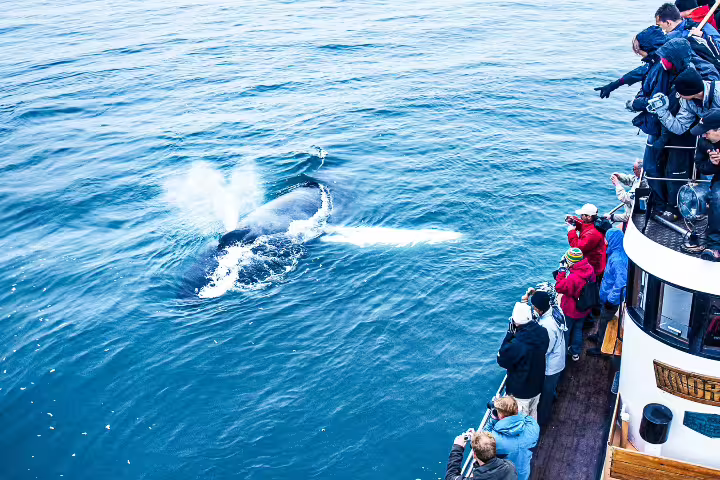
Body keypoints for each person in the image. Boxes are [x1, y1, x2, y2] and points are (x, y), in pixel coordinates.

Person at [496, 303, 549, 420]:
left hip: (521, 392)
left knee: (521, 421)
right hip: (537, 385)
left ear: (515, 322)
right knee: (533, 412)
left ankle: (528, 438)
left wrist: (508, 336)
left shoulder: (516, 345)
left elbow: (501, 359)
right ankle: (534, 434)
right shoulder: (543, 332)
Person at [525, 290, 565, 427]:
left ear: (540, 309)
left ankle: (541, 422)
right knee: (550, 388)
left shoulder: (546, 326)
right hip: (559, 357)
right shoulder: (555, 309)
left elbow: (545, 350)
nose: (533, 310)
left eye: (534, 307)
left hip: (551, 366)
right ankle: (552, 394)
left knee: (545, 396)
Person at [594, 26, 667, 99]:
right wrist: (615, 84)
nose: (638, 54)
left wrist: (634, 104)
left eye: (638, 50)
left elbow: (655, 99)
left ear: (648, 48)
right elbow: (642, 71)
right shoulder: (659, 59)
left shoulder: (661, 66)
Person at [587, 229, 628, 356]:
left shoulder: (617, 260)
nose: (605, 241)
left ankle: (601, 348)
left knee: (606, 320)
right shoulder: (618, 252)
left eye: (607, 238)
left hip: (611, 300)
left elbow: (621, 283)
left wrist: (611, 299)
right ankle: (599, 335)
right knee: (603, 318)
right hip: (607, 295)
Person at [554, 248, 596, 361]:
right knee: (578, 329)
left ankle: (563, 353)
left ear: (571, 262)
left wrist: (562, 271)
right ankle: (575, 352)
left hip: (571, 309)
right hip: (584, 307)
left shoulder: (573, 278)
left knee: (566, 331)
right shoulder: (590, 269)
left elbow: (559, 287)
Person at [689, 109, 720, 261]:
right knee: (717, 197)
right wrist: (713, 164)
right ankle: (715, 246)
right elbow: (701, 166)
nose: (703, 135)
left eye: (706, 132)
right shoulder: (703, 142)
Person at [485, 396, 540, 480]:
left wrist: (493, 420)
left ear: (501, 417)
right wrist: (509, 409)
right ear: (516, 410)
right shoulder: (534, 426)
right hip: (524, 471)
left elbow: (482, 440)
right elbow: (524, 417)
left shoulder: (495, 439)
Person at [655, 67, 720, 134]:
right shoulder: (687, 102)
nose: (678, 95)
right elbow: (680, 128)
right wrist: (662, 111)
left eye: (680, 93)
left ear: (690, 92)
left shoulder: (718, 93)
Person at [445, 430, 518, 480]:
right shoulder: (510, 466)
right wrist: (479, 442)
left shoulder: (478, 477)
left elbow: (450, 477)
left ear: (474, 455)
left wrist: (457, 448)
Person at [565, 204, 606, 280]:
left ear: (589, 217)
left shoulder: (593, 233)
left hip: (594, 265)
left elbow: (577, 247)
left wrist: (571, 231)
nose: (581, 216)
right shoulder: (594, 223)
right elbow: (584, 225)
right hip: (592, 260)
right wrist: (574, 220)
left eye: (582, 215)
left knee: (590, 282)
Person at [609, 159, 649, 225]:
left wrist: (617, 184)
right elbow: (632, 179)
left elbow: (624, 198)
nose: (633, 171)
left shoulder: (641, 186)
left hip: (633, 218)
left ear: (640, 170)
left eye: (634, 169)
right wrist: (619, 176)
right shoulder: (641, 177)